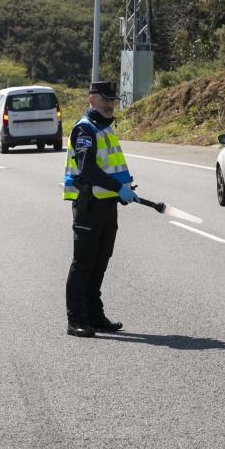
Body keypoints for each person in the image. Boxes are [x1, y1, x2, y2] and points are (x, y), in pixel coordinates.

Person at [61, 81, 138, 337]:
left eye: (112, 100)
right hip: (89, 205)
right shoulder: (85, 129)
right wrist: (118, 187)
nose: (110, 104)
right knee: (83, 264)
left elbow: (109, 167)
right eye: (105, 99)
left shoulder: (105, 128)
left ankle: (94, 315)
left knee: (100, 263)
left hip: (107, 205)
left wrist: (123, 189)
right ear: (91, 99)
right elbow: (88, 169)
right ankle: (76, 320)